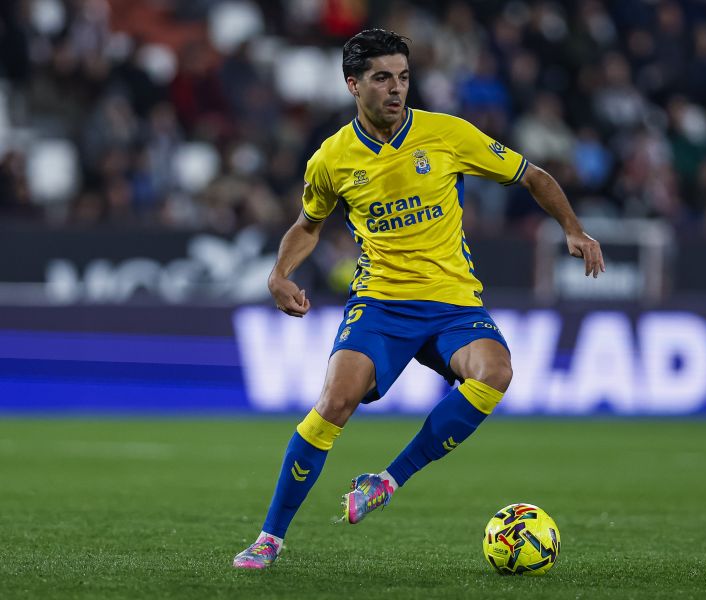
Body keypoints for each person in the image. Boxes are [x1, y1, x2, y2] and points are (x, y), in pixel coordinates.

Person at [233, 29, 604, 569]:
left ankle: (387, 480)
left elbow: (533, 174)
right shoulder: (331, 159)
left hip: (454, 301)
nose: (396, 89)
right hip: (381, 304)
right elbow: (307, 224)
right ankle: (270, 538)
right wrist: (278, 273)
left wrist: (574, 228)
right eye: (383, 78)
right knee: (335, 402)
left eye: (403, 77)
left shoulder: (447, 134)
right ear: (353, 84)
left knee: (496, 372)